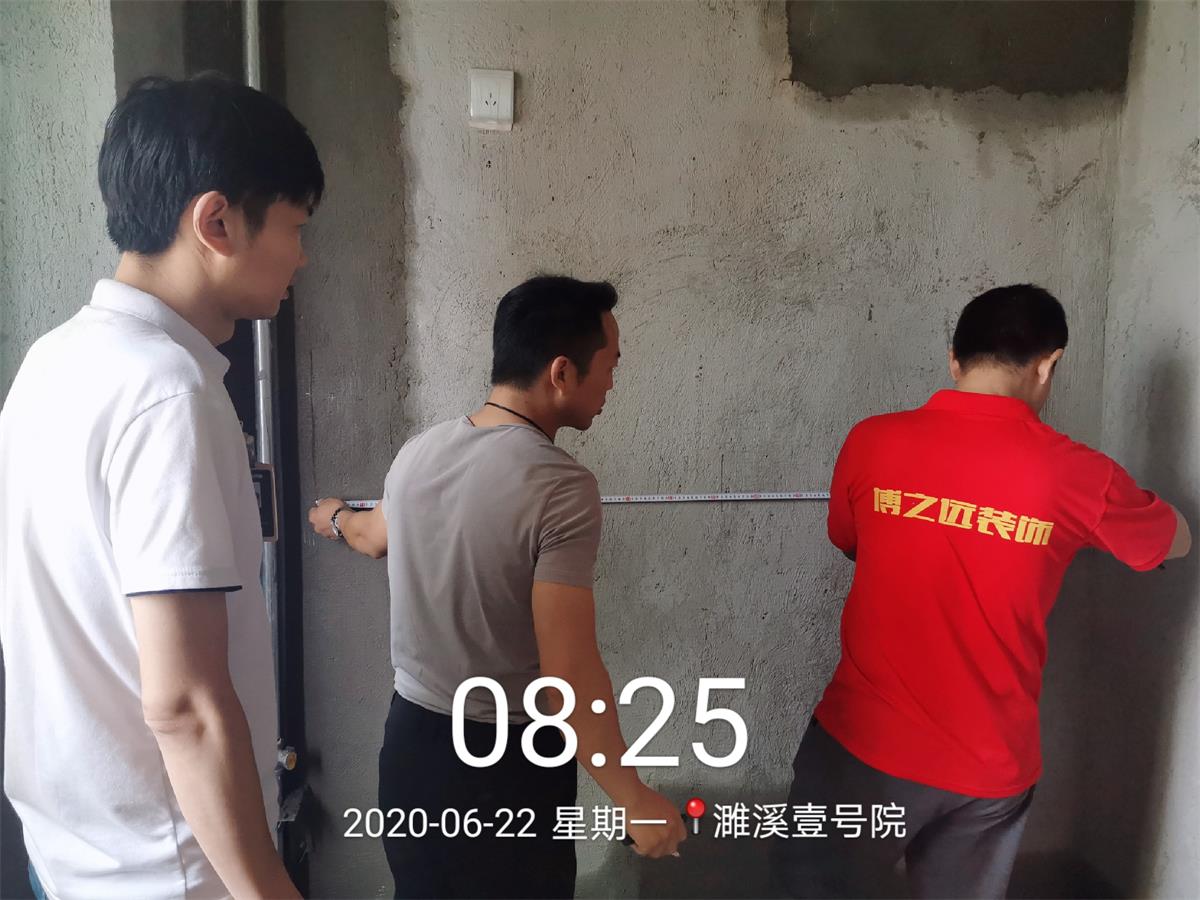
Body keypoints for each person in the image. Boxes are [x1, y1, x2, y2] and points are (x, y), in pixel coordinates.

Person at [0, 74, 323, 899]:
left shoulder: (50, 361)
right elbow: (185, 705)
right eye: (294, 226)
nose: (302, 255)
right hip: (168, 870)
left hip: (67, 852)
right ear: (216, 223)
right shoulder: (167, 392)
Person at [772, 284, 1192, 899]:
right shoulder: (1079, 475)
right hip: (988, 769)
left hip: (861, 749)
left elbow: (850, 539)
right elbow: (1173, 540)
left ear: (954, 359)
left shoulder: (872, 441)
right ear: (1048, 364)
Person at [310, 275, 686, 898]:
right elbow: (568, 674)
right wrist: (632, 796)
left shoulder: (418, 453)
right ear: (562, 373)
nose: (612, 385)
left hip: (411, 749)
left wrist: (334, 517)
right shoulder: (561, 487)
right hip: (503, 765)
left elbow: (373, 536)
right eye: (610, 367)